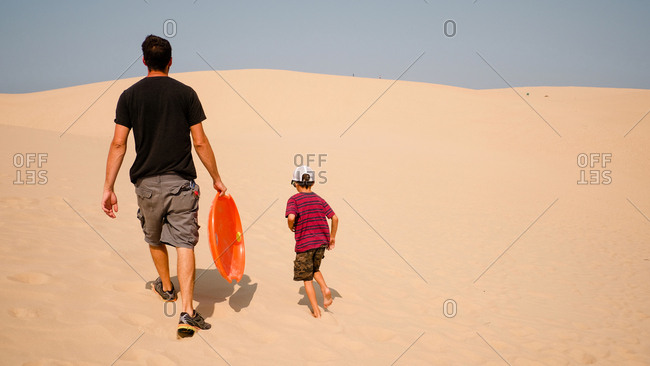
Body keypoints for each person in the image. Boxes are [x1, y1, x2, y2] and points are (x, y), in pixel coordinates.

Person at [101, 35, 227, 338]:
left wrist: (108, 186)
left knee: (153, 236)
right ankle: (187, 311)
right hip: (181, 182)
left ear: (144, 61)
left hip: (145, 184)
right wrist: (216, 177)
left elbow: (119, 143)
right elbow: (199, 140)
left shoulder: (128, 96)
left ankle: (167, 287)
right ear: (170, 61)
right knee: (185, 242)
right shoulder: (186, 94)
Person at [285, 166, 338, 318]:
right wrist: (332, 236)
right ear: (313, 183)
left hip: (304, 244)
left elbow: (291, 218)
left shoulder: (293, 199)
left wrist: (291, 227)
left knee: (307, 278)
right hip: (321, 242)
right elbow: (334, 217)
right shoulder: (320, 199)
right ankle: (325, 288)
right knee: (315, 268)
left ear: (295, 183)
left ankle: (316, 310)